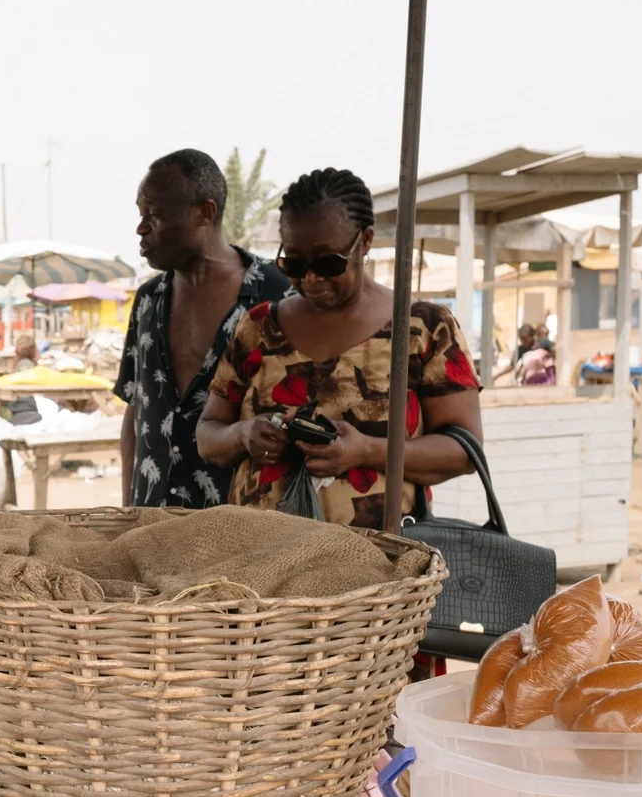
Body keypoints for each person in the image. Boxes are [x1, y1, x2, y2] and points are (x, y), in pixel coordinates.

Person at [194, 167, 481, 529]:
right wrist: (243, 434)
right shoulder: (257, 327)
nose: (310, 279)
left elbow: (464, 452)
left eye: (329, 262)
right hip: (260, 562)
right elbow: (208, 435)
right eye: (293, 263)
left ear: (365, 241)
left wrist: (365, 450)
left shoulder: (425, 327)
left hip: (380, 569)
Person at [120, 148, 291, 508]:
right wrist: (127, 513)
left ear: (205, 212)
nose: (141, 227)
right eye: (140, 214)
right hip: (152, 523)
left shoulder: (276, 297)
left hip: (238, 529)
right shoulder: (149, 300)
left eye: (154, 214)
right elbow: (135, 412)